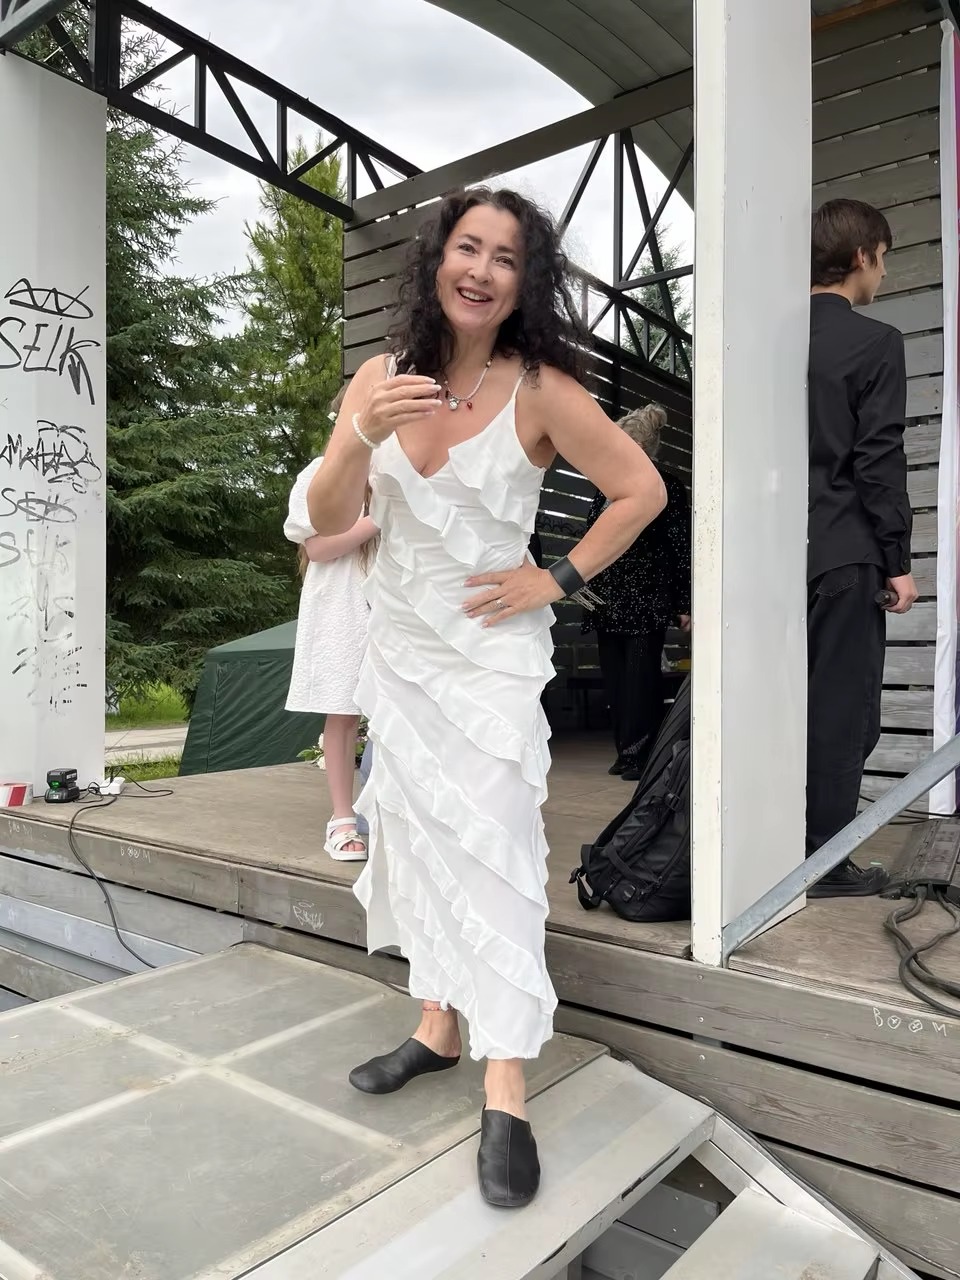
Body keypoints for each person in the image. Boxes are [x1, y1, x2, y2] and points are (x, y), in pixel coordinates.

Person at [306, 187, 665, 1208]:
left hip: (492, 661)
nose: (482, 270)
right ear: (437, 260)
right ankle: (436, 1024)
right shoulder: (381, 377)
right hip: (403, 659)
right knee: (416, 838)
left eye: (507, 257)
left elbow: (641, 489)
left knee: (496, 848)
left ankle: (505, 1079)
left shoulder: (541, 387)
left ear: (524, 282)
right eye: (468, 247)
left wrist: (558, 577)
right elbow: (326, 518)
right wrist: (354, 435)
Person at [807, 198, 916, 897]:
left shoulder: (770, 340)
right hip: (845, 552)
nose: (883, 272)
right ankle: (822, 863)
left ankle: (770, 842)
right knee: (844, 713)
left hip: (771, 555)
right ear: (860, 258)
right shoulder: (875, 342)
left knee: (782, 704)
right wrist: (897, 561)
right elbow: (878, 459)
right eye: (882, 258)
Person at [284, 386, 379, 861]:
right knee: (344, 712)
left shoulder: (406, 472)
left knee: (403, 710)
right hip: (344, 607)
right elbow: (317, 547)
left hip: (395, 605)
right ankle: (343, 819)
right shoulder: (321, 473)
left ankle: (391, 811)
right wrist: (375, 521)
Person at [581, 403, 691, 780]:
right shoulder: (605, 488)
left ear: (639, 447)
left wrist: (684, 602)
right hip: (608, 601)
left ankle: (641, 754)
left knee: (641, 680)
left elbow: (680, 546)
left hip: (647, 598)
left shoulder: (666, 486)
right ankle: (625, 751)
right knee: (616, 681)